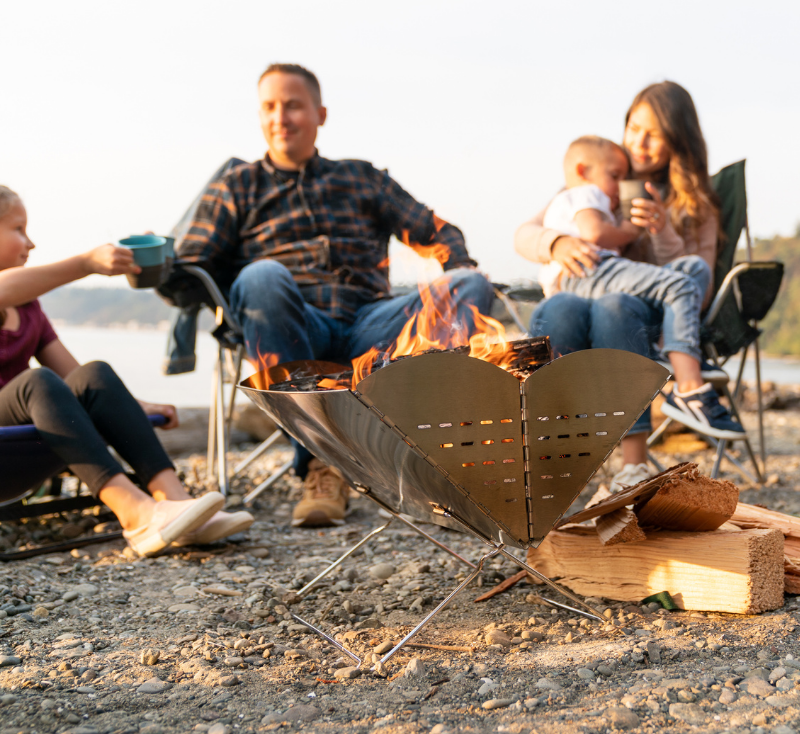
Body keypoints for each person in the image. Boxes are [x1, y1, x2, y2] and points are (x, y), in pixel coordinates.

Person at [177, 63, 494, 527]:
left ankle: (438, 460)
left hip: (372, 325)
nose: (280, 117)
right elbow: (192, 267)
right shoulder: (238, 185)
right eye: (269, 107)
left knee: (470, 284)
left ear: (320, 114)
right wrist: (165, 264)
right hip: (291, 327)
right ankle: (323, 468)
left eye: (293, 105)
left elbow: (439, 231)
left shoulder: (360, 178)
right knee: (261, 276)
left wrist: (457, 264)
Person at [0, 186, 254, 556]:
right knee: (36, 381)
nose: (31, 242)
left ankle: (178, 507)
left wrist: (139, 405)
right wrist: (86, 263)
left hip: (36, 448)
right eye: (19, 229)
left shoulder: (29, 309)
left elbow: (75, 382)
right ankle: (134, 513)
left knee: (94, 373)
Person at [515, 81, 733, 488]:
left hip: (643, 319)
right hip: (581, 298)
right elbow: (525, 233)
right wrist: (556, 242)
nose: (638, 142)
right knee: (559, 308)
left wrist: (662, 233)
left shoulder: (695, 203)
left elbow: (695, 286)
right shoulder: (601, 177)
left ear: (678, 142)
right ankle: (549, 457)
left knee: (615, 306)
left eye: (654, 135)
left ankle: (632, 463)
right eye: (634, 127)